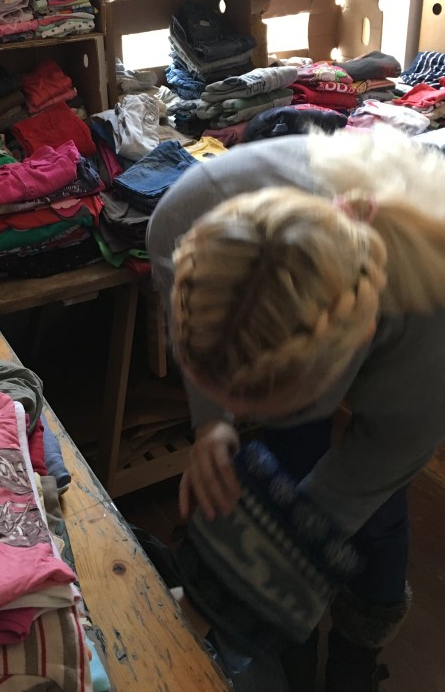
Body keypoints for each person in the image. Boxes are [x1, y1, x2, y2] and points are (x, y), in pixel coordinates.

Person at [145, 126, 445, 692]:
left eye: (258, 404)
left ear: (357, 341)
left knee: (376, 515)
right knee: (285, 458)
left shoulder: (430, 326)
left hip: (417, 319)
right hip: (338, 322)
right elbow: (209, 340)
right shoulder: (183, 217)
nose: (242, 415)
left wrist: (285, 557)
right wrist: (211, 424)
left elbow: (385, 452)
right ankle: (294, 653)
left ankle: (357, 652)